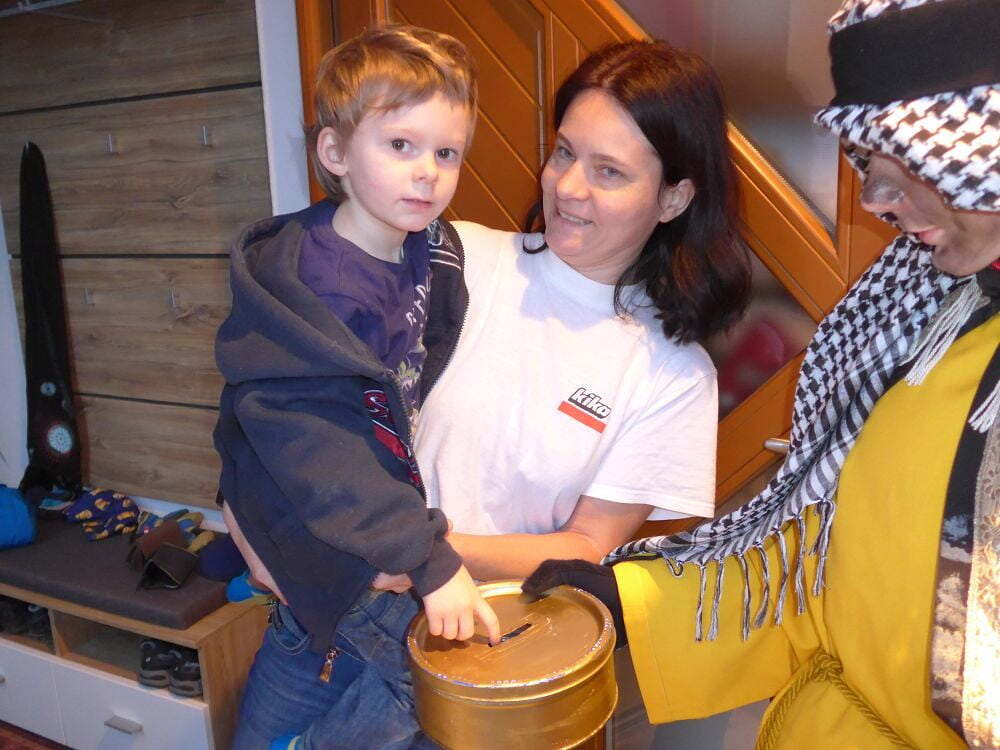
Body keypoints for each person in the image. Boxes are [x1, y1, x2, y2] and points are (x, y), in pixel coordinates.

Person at [525, 1, 999, 747]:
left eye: (907, 166)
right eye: (868, 164)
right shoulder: (936, 317)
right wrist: (630, 601)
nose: (874, 201)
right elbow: (828, 570)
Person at [213, 25, 504, 750]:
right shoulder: (322, 288)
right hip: (324, 516)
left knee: (315, 656)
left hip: (350, 517)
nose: (427, 173)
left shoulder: (421, 248)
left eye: (446, 153)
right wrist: (428, 558)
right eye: (400, 145)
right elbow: (319, 444)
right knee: (437, 679)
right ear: (336, 154)